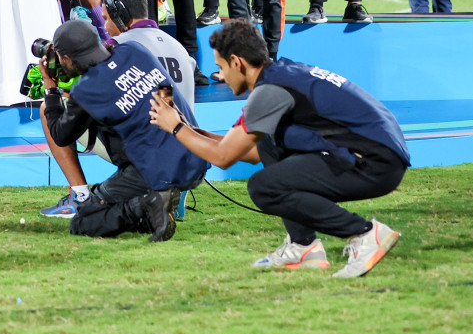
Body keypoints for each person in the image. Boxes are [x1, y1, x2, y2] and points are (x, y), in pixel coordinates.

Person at [151, 20, 408, 277]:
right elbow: (249, 152)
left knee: (264, 187)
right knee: (266, 143)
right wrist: (185, 128)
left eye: (220, 67)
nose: (220, 76)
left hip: (376, 163)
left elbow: (224, 157)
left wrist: (175, 128)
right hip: (379, 154)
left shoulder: (269, 92)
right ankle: (303, 246)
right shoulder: (281, 75)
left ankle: (364, 234)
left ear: (237, 62)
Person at [41, 19, 205, 240]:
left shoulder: (88, 90)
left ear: (67, 58)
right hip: (196, 155)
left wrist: (51, 92)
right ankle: (157, 202)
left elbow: (60, 135)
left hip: (157, 168)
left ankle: (148, 206)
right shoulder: (134, 50)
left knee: (83, 221)